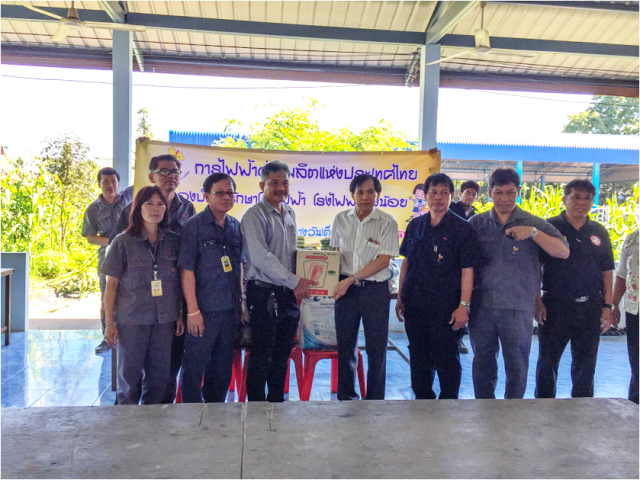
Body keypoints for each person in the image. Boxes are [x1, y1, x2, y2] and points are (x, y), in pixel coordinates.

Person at [469, 168, 569, 399]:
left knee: (517, 366)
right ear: (490, 193)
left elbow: (563, 251)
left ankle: (514, 412)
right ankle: (484, 410)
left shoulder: (532, 223)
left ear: (518, 192)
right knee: (482, 364)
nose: (504, 198)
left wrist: (533, 233)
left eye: (510, 193)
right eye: (499, 192)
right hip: (482, 307)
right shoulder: (476, 223)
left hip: (518, 308)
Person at [110, 154, 195, 404]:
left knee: (165, 369)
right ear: (151, 176)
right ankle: (127, 417)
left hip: (169, 309)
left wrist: (183, 310)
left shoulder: (187, 208)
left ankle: (160, 413)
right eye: (164, 171)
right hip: (134, 309)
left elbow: (188, 261)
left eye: (175, 172)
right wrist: (108, 317)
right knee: (130, 373)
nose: (170, 176)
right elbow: (113, 267)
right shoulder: (130, 212)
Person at [395, 173, 481, 399]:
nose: (438, 197)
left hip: (447, 308)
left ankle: (448, 405)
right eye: (433, 192)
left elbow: (468, 271)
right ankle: (423, 403)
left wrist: (463, 306)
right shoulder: (415, 225)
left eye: (444, 193)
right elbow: (406, 263)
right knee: (419, 356)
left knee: (446, 357)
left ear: (452, 196)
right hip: (415, 306)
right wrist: (401, 297)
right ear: (425, 196)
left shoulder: (462, 229)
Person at [102, 186, 184, 405]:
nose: (155, 209)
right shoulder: (123, 241)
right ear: (138, 208)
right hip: (132, 320)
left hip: (164, 320)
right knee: (129, 378)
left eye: (160, 204)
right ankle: (127, 420)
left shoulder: (173, 241)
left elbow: (179, 282)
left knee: (159, 377)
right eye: (149, 204)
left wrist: (180, 314)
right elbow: (111, 285)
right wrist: (109, 322)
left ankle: (153, 421)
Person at [241, 161, 315, 402]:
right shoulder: (254, 215)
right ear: (262, 185)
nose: (280, 188)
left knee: (282, 351)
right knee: (262, 352)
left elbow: (291, 254)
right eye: (274, 182)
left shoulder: (290, 212)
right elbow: (261, 257)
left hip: (287, 293)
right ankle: (256, 406)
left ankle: (276, 402)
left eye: (285, 183)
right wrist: (295, 281)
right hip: (263, 294)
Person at [535, 179, 614, 399]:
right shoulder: (549, 228)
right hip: (555, 306)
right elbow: (536, 267)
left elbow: (607, 271)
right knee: (547, 362)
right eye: (576, 197)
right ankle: (543, 406)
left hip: (590, 307)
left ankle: (583, 408)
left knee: (586, 365)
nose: (582, 202)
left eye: (587, 198)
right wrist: (537, 301)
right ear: (564, 199)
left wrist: (607, 306)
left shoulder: (599, 231)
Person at [178, 173, 246, 403]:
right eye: (220, 193)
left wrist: (241, 303)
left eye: (230, 193)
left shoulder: (235, 225)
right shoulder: (194, 226)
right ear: (206, 196)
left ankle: (216, 412)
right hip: (203, 310)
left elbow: (239, 265)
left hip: (229, 310)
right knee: (194, 365)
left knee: (222, 366)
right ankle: (191, 413)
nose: (226, 197)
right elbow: (186, 270)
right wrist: (192, 311)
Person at [330, 174, 399, 400]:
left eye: (370, 192)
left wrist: (352, 278)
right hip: (346, 292)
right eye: (360, 192)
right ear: (352, 195)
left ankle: (375, 400)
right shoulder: (340, 219)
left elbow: (384, 260)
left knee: (376, 349)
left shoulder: (387, 222)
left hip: (374, 291)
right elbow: (334, 254)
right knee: (345, 347)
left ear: (378, 195)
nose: (365, 197)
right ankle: (346, 397)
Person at [82, 167, 131, 354]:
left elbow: (145, 177)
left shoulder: (129, 199)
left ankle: (130, 335)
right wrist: (114, 242)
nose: (110, 186)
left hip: (132, 254)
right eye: (105, 182)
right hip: (107, 256)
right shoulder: (93, 209)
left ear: (119, 183)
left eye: (113, 181)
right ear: (99, 184)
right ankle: (107, 336)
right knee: (107, 296)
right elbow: (90, 237)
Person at [449, 180, 480, 355]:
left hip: (467, 266)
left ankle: (459, 338)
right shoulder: (450, 210)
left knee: (464, 305)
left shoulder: (477, 217)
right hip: (450, 267)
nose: (470, 196)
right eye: (468, 193)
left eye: (474, 194)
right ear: (460, 194)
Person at [612, 227, 640, 405]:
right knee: (637, 364)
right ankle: (635, 408)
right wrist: (614, 304)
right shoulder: (633, 239)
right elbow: (622, 274)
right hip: (634, 310)